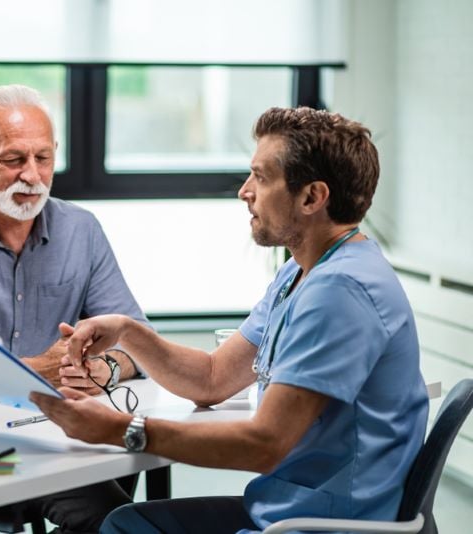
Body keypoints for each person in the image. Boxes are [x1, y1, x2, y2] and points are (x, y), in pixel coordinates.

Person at [30, 107, 429, 533]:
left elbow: (264, 445)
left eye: (261, 177)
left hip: (320, 524)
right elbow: (213, 377)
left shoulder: (341, 292)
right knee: (127, 521)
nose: (245, 191)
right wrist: (128, 332)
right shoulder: (301, 272)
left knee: (124, 528)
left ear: (312, 197)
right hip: (287, 506)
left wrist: (123, 430)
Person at [0, 84, 147, 532]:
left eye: (43, 158)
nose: (32, 175)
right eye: (14, 160)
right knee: (107, 512)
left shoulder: (81, 229)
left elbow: (135, 338)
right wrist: (38, 371)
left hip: (56, 436)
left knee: (124, 504)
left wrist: (104, 369)